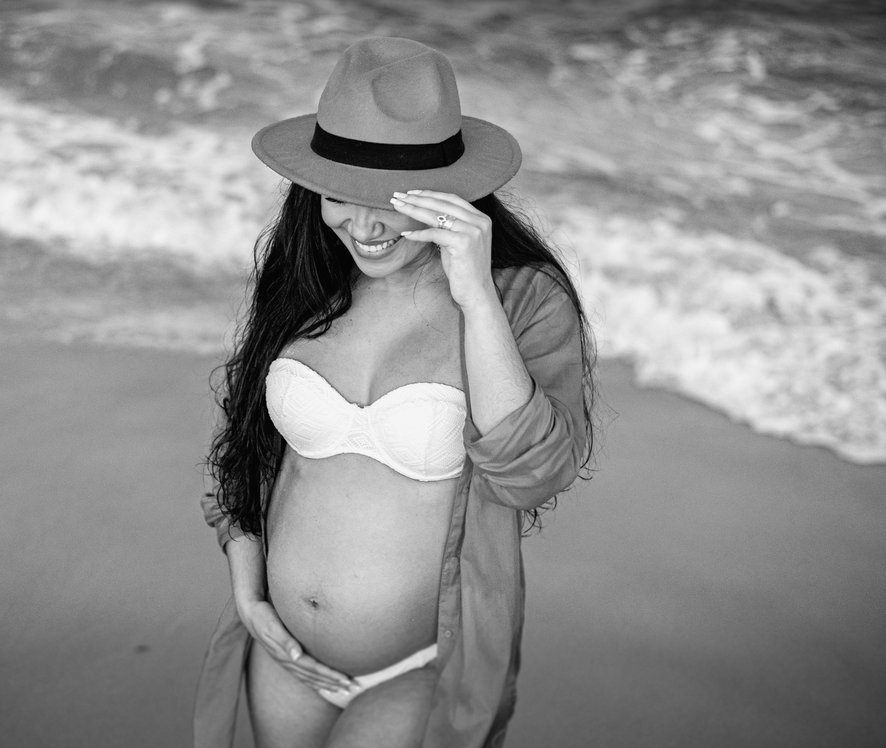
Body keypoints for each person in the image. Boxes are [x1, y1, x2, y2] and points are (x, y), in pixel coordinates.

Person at [194, 37, 594, 748]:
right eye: (340, 195)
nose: (365, 226)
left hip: (419, 668)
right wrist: (247, 589)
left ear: (454, 191)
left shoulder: (521, 299)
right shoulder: (308, 274)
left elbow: (532, 473)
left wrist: (476, 297)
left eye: (390, 201)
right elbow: (247, 447)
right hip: (282, 654)